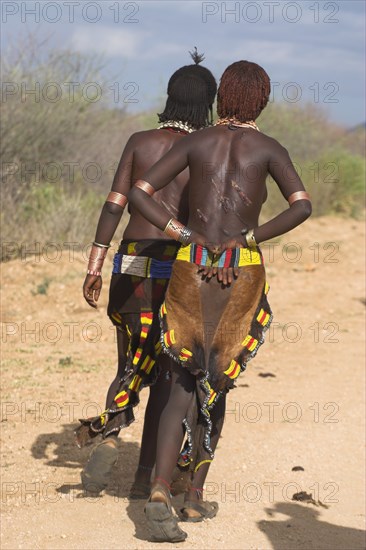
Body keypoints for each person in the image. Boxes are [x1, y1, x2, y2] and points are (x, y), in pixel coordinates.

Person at [128, 60, 312, 543]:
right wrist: (249, 238)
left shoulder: (197, 141)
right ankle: (195, 497)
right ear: (262, 101)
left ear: (223, 97)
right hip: (241, 271)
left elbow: (140, 193)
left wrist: (185, 232)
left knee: (180, 380)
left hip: (190, 263)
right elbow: (302, 205)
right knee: (218, 382)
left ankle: (160, 491)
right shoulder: (270, 149)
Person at [75, 50, 217, 500]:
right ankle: (143, 477)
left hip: (132, 261)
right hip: (178, 268)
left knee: (130, 359)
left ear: (171, 97)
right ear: (207, 104)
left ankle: (111, 434)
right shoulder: (207, 150)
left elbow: (115, 203)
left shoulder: (140, 141)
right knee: (168, 374)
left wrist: (96, 263)